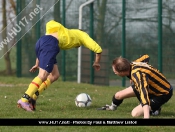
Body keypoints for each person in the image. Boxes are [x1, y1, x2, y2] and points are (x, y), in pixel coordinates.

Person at [17, 20, 102, 111]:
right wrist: (96, 62)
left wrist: (37, 63)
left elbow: (44, 48)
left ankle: (33, 97)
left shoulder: (64, 33)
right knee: (42, 76)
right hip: (50, 45)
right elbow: (98, 49)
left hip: (42, 42)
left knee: (55, 75)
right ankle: (24, 99)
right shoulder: (83, 35)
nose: (78, 46)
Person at [98, 55, 173, 119]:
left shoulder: (137, 76)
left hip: (162, 93)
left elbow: (144, 93)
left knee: (135, 113)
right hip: (150, 87)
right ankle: (112, 108)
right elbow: (146, 56)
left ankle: (155, 110)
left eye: (115, 72)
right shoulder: (132, 64)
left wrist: (146, 116)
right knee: (118, 95)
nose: (115, 73)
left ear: (122, 72)